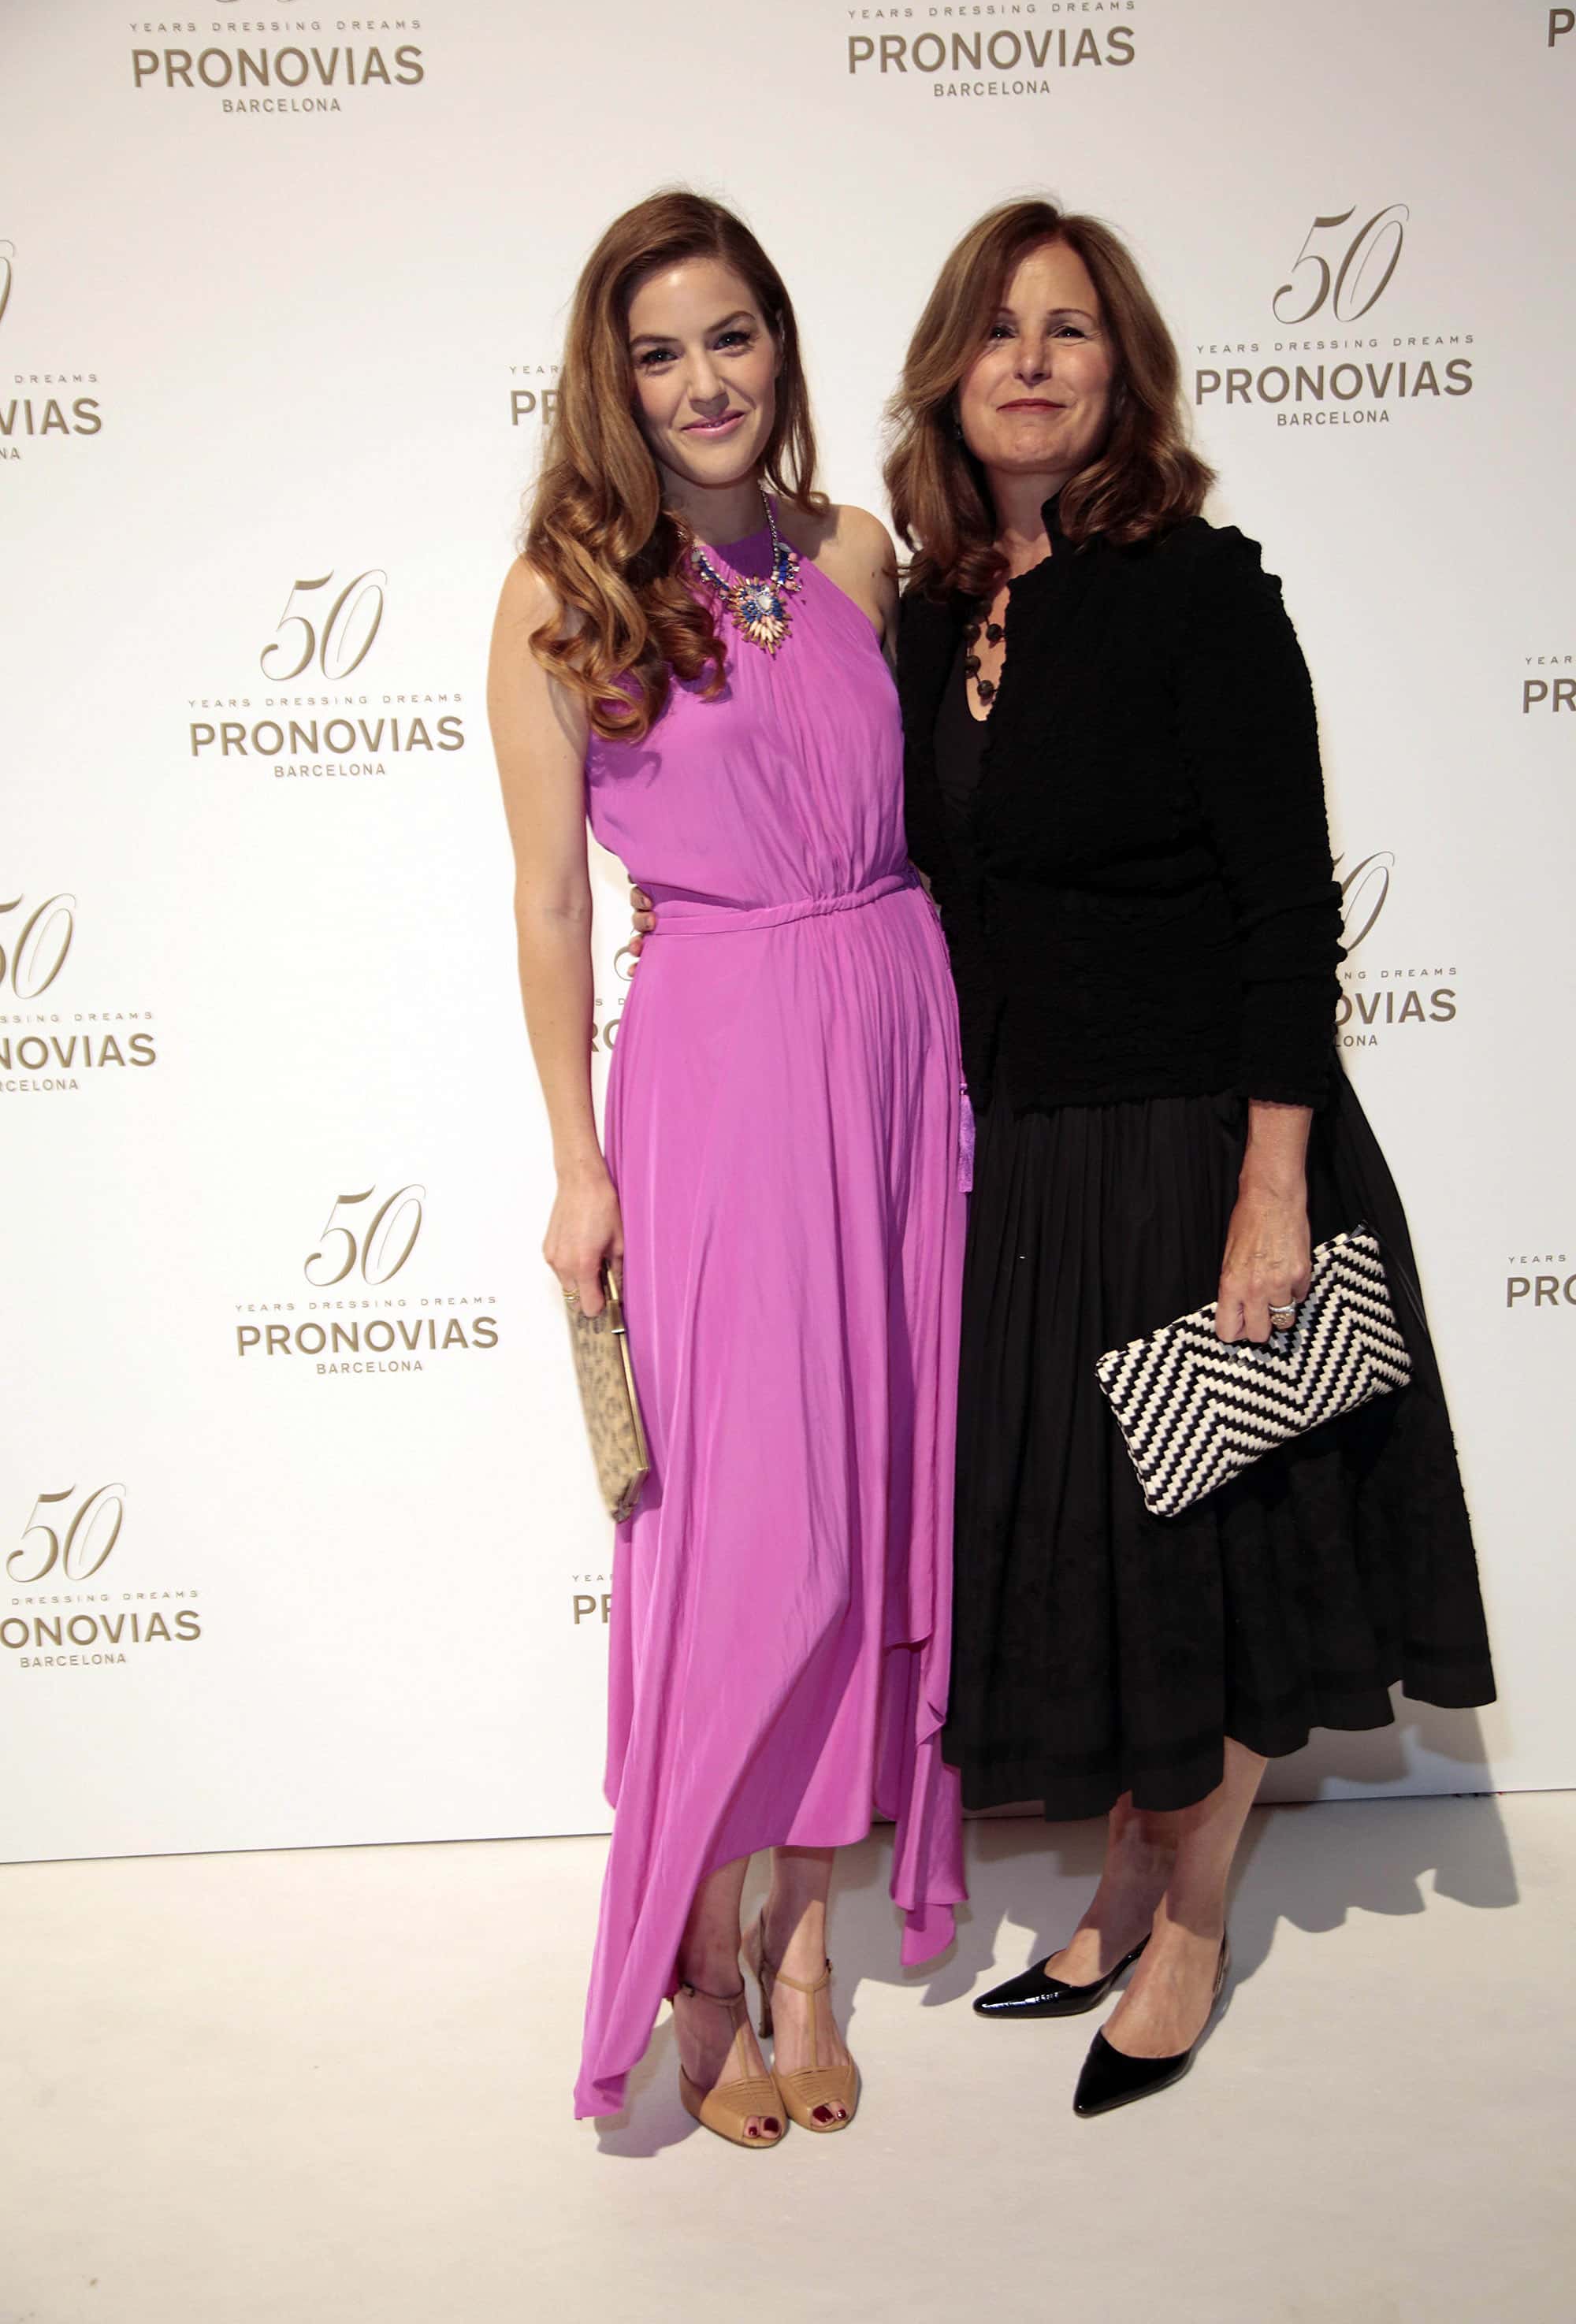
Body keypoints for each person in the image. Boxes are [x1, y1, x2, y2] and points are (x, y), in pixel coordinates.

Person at [882, 197, 1496, 2114]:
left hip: (1197, 1144)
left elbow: (1284, 912)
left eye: (1073, 330)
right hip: (1028, 1165)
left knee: (1206, 1558)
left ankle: (1189, 1920)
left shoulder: (1200, 589)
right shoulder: (922, 613)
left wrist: (1270, 1181)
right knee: (1102, 1557)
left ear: (1121, 369)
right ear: (952, 372)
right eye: (1002, 330)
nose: (1037, 360)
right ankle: (1131, 1867)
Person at [487, 191, 967, 2144]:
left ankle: (800, 1949)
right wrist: (572, 1164)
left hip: (891, 1045)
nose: (701, 382)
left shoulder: (854, 549)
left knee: (865, 1507)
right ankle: (692, 1928)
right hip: (714, 1069)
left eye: (731, 337)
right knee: (739, 1533)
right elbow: (538, 904)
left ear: (779, 345)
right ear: (613, 381)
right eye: (657, 350)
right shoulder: (559, 597)